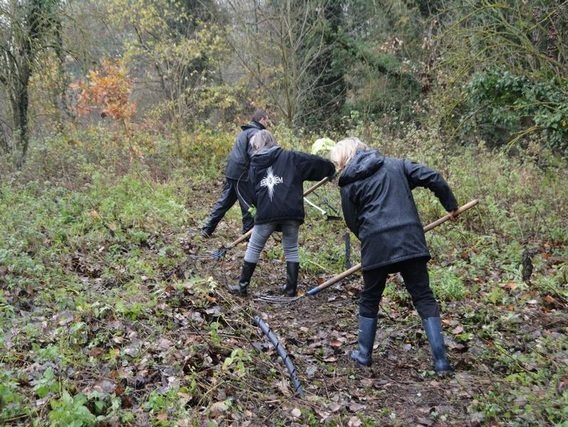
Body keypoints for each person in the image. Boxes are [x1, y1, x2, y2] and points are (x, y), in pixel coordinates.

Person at [328, 136, 459, 375]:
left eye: (339, 164)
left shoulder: (349, 185)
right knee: (423, 297)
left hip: (376, 245)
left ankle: (364, 355)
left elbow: (352, 222)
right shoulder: (397, 165)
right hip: (410, 240)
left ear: (345, 160)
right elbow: (433, 177)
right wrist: (450, 205)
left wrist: (371, 237)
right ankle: (441, 362)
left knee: (370, 298)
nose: (339, 169)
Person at [229, 130, 336, 297]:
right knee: (291, 248)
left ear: (257, 145)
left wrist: (260, 206)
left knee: (255, 246)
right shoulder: (292, 157)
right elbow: (314, 163)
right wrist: (330, 168)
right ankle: (290, 289)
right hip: (292, 211)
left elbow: (251, 193)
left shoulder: (254, 165)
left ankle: (242, 286)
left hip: (267, 213)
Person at [201, 110, 270, 238]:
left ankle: (207, 228)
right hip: (242, 174)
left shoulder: (245, 132)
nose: (268, 123)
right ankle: (248, 235)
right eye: (267, 120)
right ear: (261, 120)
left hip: (232, 171)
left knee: (225, 201)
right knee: (248, 205)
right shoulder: (257, 133)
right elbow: (255, 154)